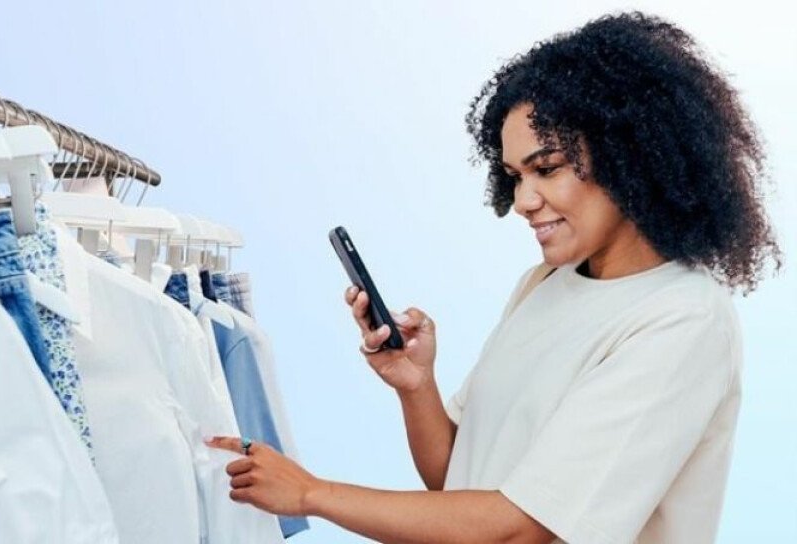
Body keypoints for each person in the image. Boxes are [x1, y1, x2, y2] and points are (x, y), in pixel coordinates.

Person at [206, 10, 782, 543]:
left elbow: (520, 530)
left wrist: (312, 493)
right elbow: (457, 483)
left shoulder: (683, 320)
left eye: (547, 169)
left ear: (630, 157)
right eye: (514, 176)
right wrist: (417, 387)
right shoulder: (544, 284)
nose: (524, 201)